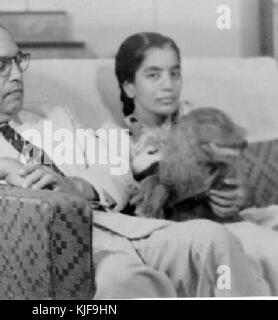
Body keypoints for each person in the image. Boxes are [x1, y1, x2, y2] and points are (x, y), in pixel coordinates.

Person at [0, 19, 269, 298]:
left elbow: (119, 171)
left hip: (121, 227)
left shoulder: (52, 116)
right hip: (65, 253)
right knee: (123, 280)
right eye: (0, 66)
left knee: (212, 239)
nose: (16, 74)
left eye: (18, 60)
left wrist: (80, 186)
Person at [113, 31, 278, 295]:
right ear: (129, 86)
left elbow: (233, 165)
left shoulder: (199, 120)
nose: (168, 85)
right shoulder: (118, 138)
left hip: (230, 220)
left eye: (174, 73)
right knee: (263, 247)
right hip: (184, 232)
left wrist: (239, 195)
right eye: (153, 75)